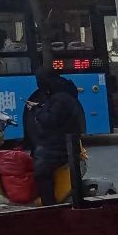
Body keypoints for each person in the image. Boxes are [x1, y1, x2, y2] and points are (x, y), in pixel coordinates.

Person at [26, 67, 85, 206]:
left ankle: (49, 206)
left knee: (41, 172)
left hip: (60, 146)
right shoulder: (61, 94)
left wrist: (36, 110)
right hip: (60, 143)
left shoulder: (61, 98)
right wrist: (40, 106)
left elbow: (49, 120)